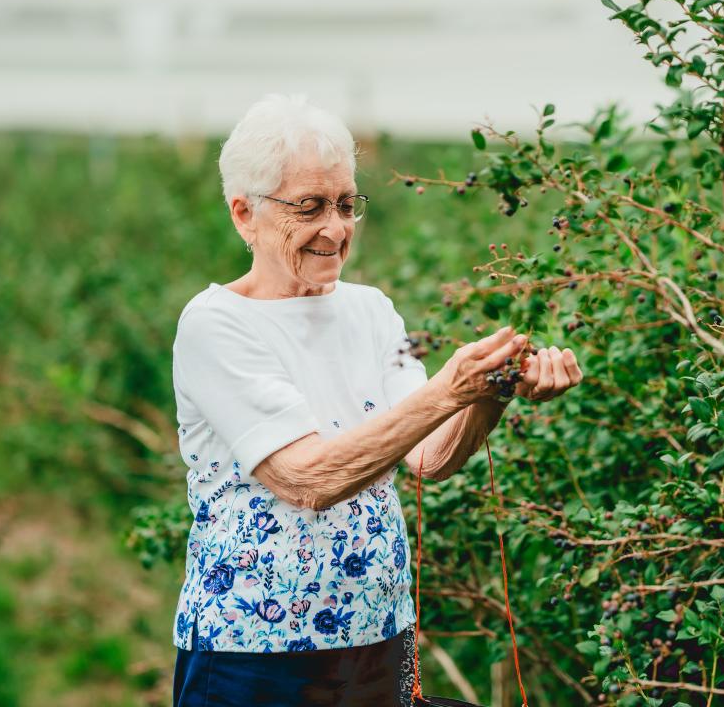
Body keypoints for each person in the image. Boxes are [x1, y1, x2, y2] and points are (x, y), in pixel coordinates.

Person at [170, 94, 583, 706]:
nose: (335, 229)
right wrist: (448, 387)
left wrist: (490, 392)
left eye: (345, 204)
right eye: (309, 207)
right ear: (243, 213)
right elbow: (306, 478)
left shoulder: (370, 310)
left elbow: (430, 459)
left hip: (376, 636)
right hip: (253, 651)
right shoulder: (216, 324)